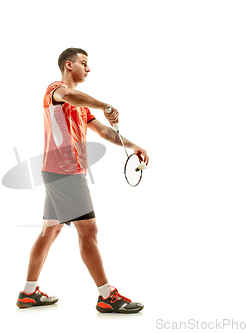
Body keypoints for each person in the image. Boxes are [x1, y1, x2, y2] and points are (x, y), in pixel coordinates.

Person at [16, 48, 149, 314]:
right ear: (69, 65)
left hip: (58, 173)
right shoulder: (56, 90)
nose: (88, 69)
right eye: (84, 63)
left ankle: (28, 293)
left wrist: (132, 145)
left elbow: (102, 130)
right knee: (88, 231)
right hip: (65, 174)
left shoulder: (81, 106)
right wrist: (106, 105)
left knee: (50, 231)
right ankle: (106, 296)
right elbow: (69, 95)